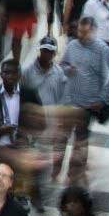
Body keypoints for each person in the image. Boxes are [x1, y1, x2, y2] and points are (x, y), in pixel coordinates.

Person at [62, 17, 109, 186]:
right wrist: (67, 69)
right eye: (79, 31)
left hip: (87, 105)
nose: (80, 35)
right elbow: (61, 65)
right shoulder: (72, 46)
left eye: (84, 32)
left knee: (80, 140)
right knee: (62, 138)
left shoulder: (103, 50)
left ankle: (74, 174)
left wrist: (102, 99)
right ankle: (57, 169)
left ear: (93, 30)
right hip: (69, 101)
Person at [22, 37, 70, 183]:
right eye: (44, 50)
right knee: (34, 152)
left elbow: (64, 97)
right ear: (40, 51)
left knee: (59, 146)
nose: (47, 54)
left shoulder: (59, 73)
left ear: (54, 53)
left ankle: (54, 175)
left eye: (50, 51)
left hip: (53, 118)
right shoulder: (27, 72)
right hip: (34, 121)